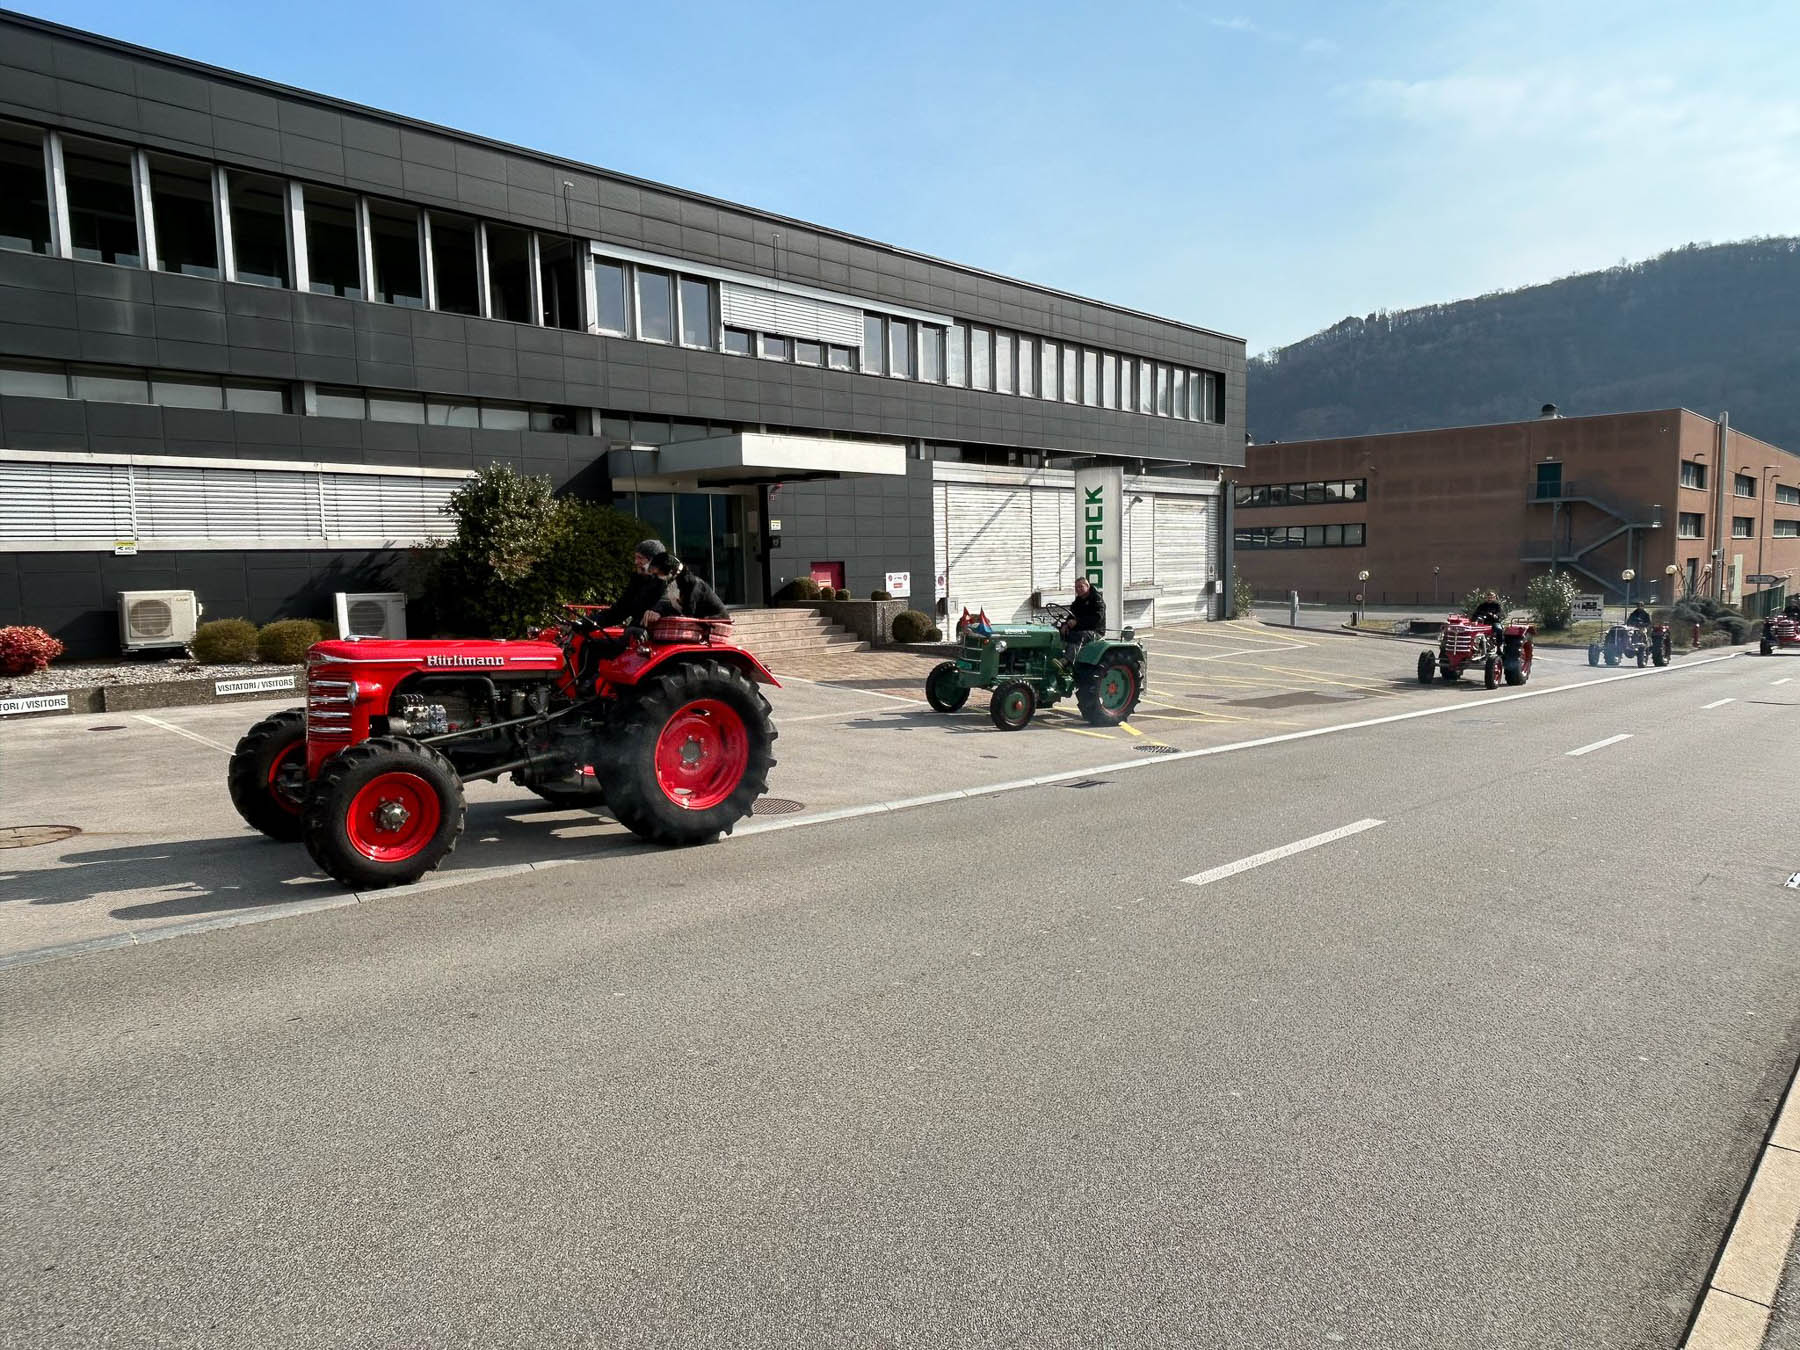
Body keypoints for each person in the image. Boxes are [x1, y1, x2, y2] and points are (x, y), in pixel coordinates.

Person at [650, 551, 728, 619]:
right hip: (699, 620)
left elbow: (688, 614)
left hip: (716, 620)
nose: (654, 575)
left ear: (668, 568)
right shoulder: (673, 582)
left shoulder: (690, 584)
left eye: (655, 571)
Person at [1061, 576, 1106, 660]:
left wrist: (1077, 622)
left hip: (1095, 631)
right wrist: (1066, 625)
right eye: (1076, 587)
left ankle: (1067, 660)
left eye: (1081, 587)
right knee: (1059, 632)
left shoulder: (1097, 599)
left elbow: (1097, 618)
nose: (1078, 589)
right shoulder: (1078, 600)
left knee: (1080, 636)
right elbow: (1071, 615)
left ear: (1087, 586)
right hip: (1081, 629)